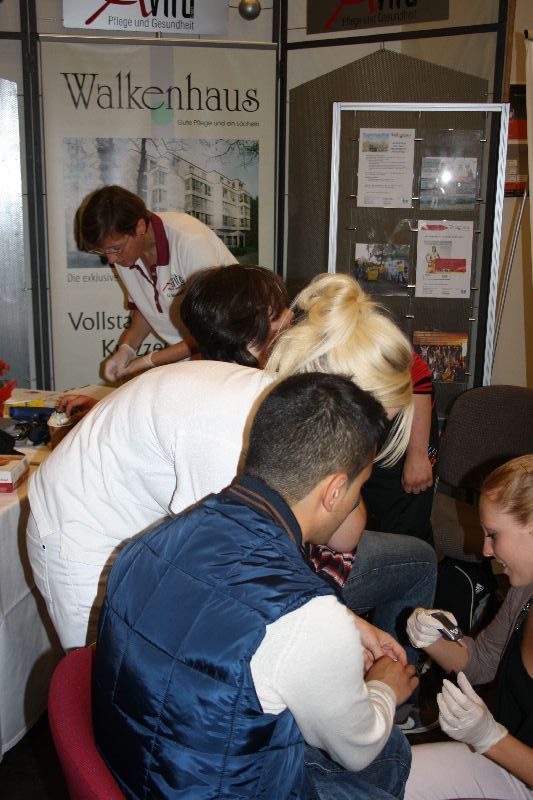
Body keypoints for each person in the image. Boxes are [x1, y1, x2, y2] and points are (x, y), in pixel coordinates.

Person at [27, 270, 435, 658]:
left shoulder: (286, 408)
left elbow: (339, 536)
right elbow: (220, 567)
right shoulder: (235, 426)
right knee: (109, 665)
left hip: (148, 532)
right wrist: (339, 623)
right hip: (82, 532)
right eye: (366, 425)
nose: (364, 439)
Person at [93, 372, 417, 800]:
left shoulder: (149, 543)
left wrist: (338, 636)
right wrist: (384, 687)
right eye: (360, 487)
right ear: (335, 490)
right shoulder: (307, 618)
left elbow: (225, 613)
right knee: (390, 751)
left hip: (139, 772)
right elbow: (359, 749)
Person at [404, 455, 533, 800]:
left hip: (511, 759)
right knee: (390, 779)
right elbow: (482, 662)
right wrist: (431, 639)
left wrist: (490, 738)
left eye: (493, 535)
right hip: (510, 764)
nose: (485, 550)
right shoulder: (526, 591)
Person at [76, 184, 236, 381]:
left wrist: (150, 361)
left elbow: (213, 331)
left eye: (115, 248)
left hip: (232, 354)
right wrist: (126, 349)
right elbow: (146, 308)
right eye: (102, 251)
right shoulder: (123, 255)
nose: (110, 259)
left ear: (140, 227)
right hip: (194, 359)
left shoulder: (190, 241)